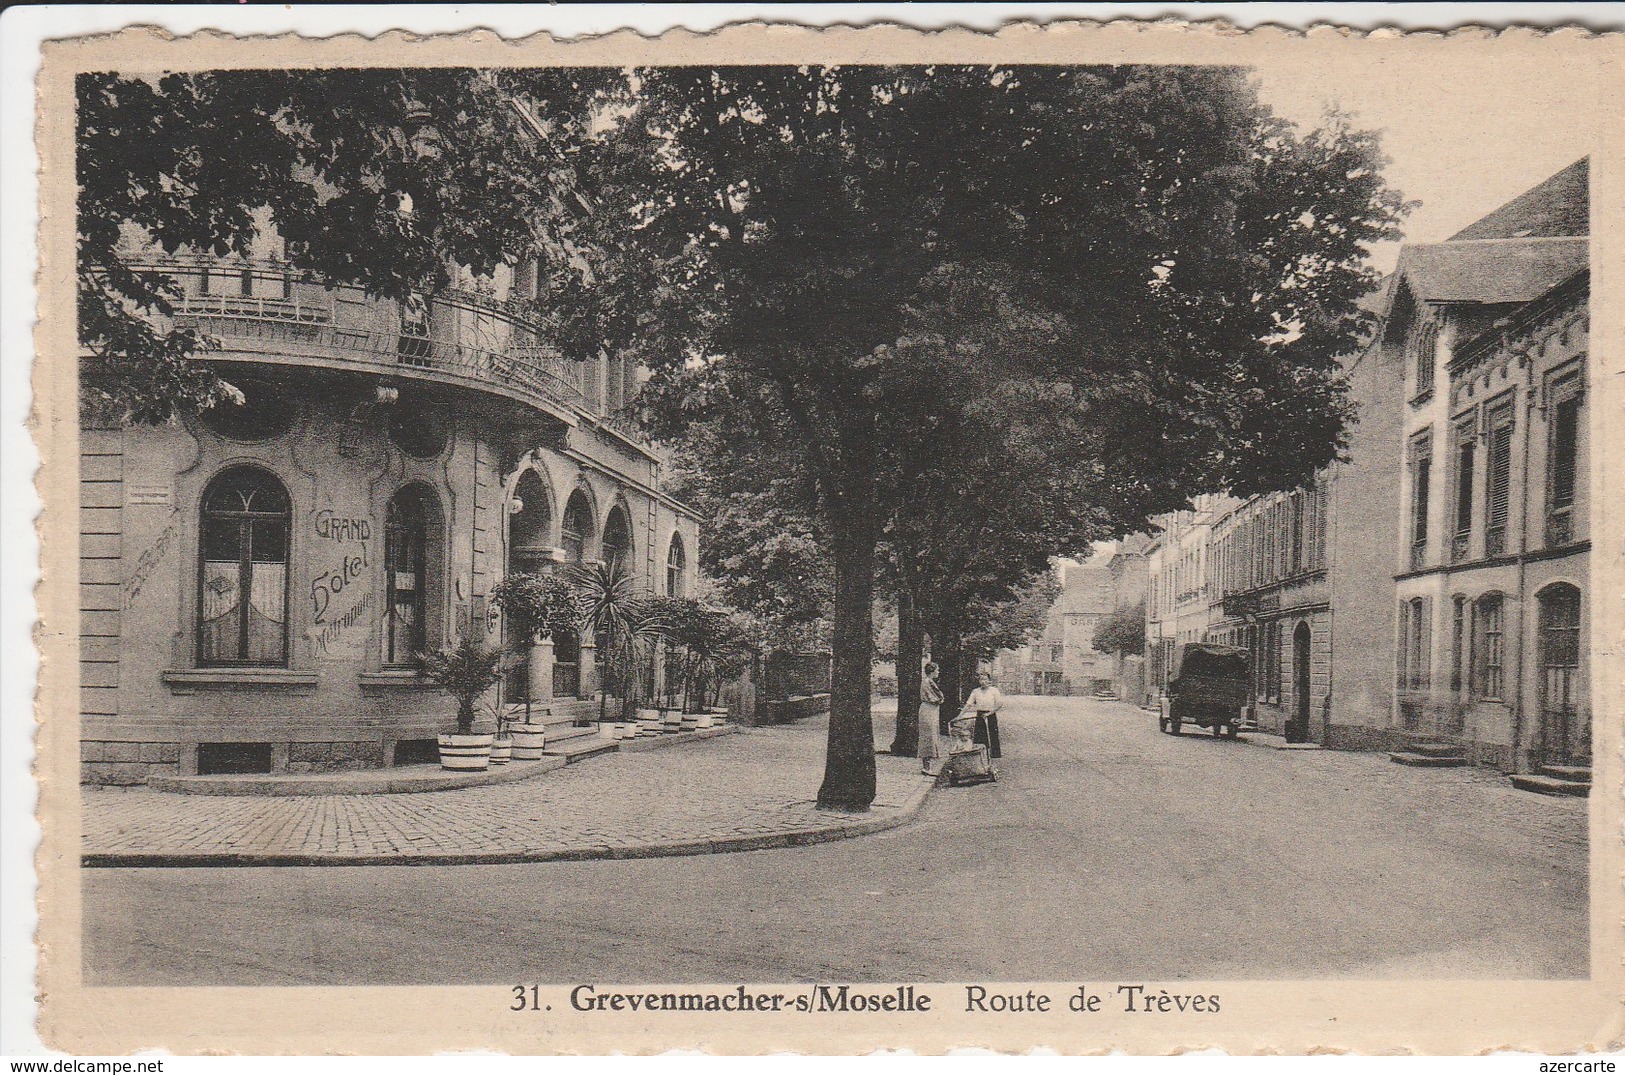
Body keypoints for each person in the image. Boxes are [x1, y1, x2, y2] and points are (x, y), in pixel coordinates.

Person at [962, 670, 1004, 759]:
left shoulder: (994, 690)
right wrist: (960, 715)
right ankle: (980, 756)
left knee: (992, 735)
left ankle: (992, 758)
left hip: (991, 714)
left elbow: (999, 703)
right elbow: (968, 704)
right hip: (980, 715)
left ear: (989, 681)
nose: (983, 682)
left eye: (985, 680)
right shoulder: (975, 691)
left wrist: (990, 713)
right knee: (980, 737)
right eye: (981, 680)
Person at [918, 661, 944, 775]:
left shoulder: (929, 682)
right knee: (928, 736)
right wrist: (940, 700)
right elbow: (938, 698)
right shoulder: (928, 682)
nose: (938, 672)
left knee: (931, 736)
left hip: (931, 710)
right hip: (928, 709)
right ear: (932, 672)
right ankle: (926, 767)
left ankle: (928, 765)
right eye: (937, 670)